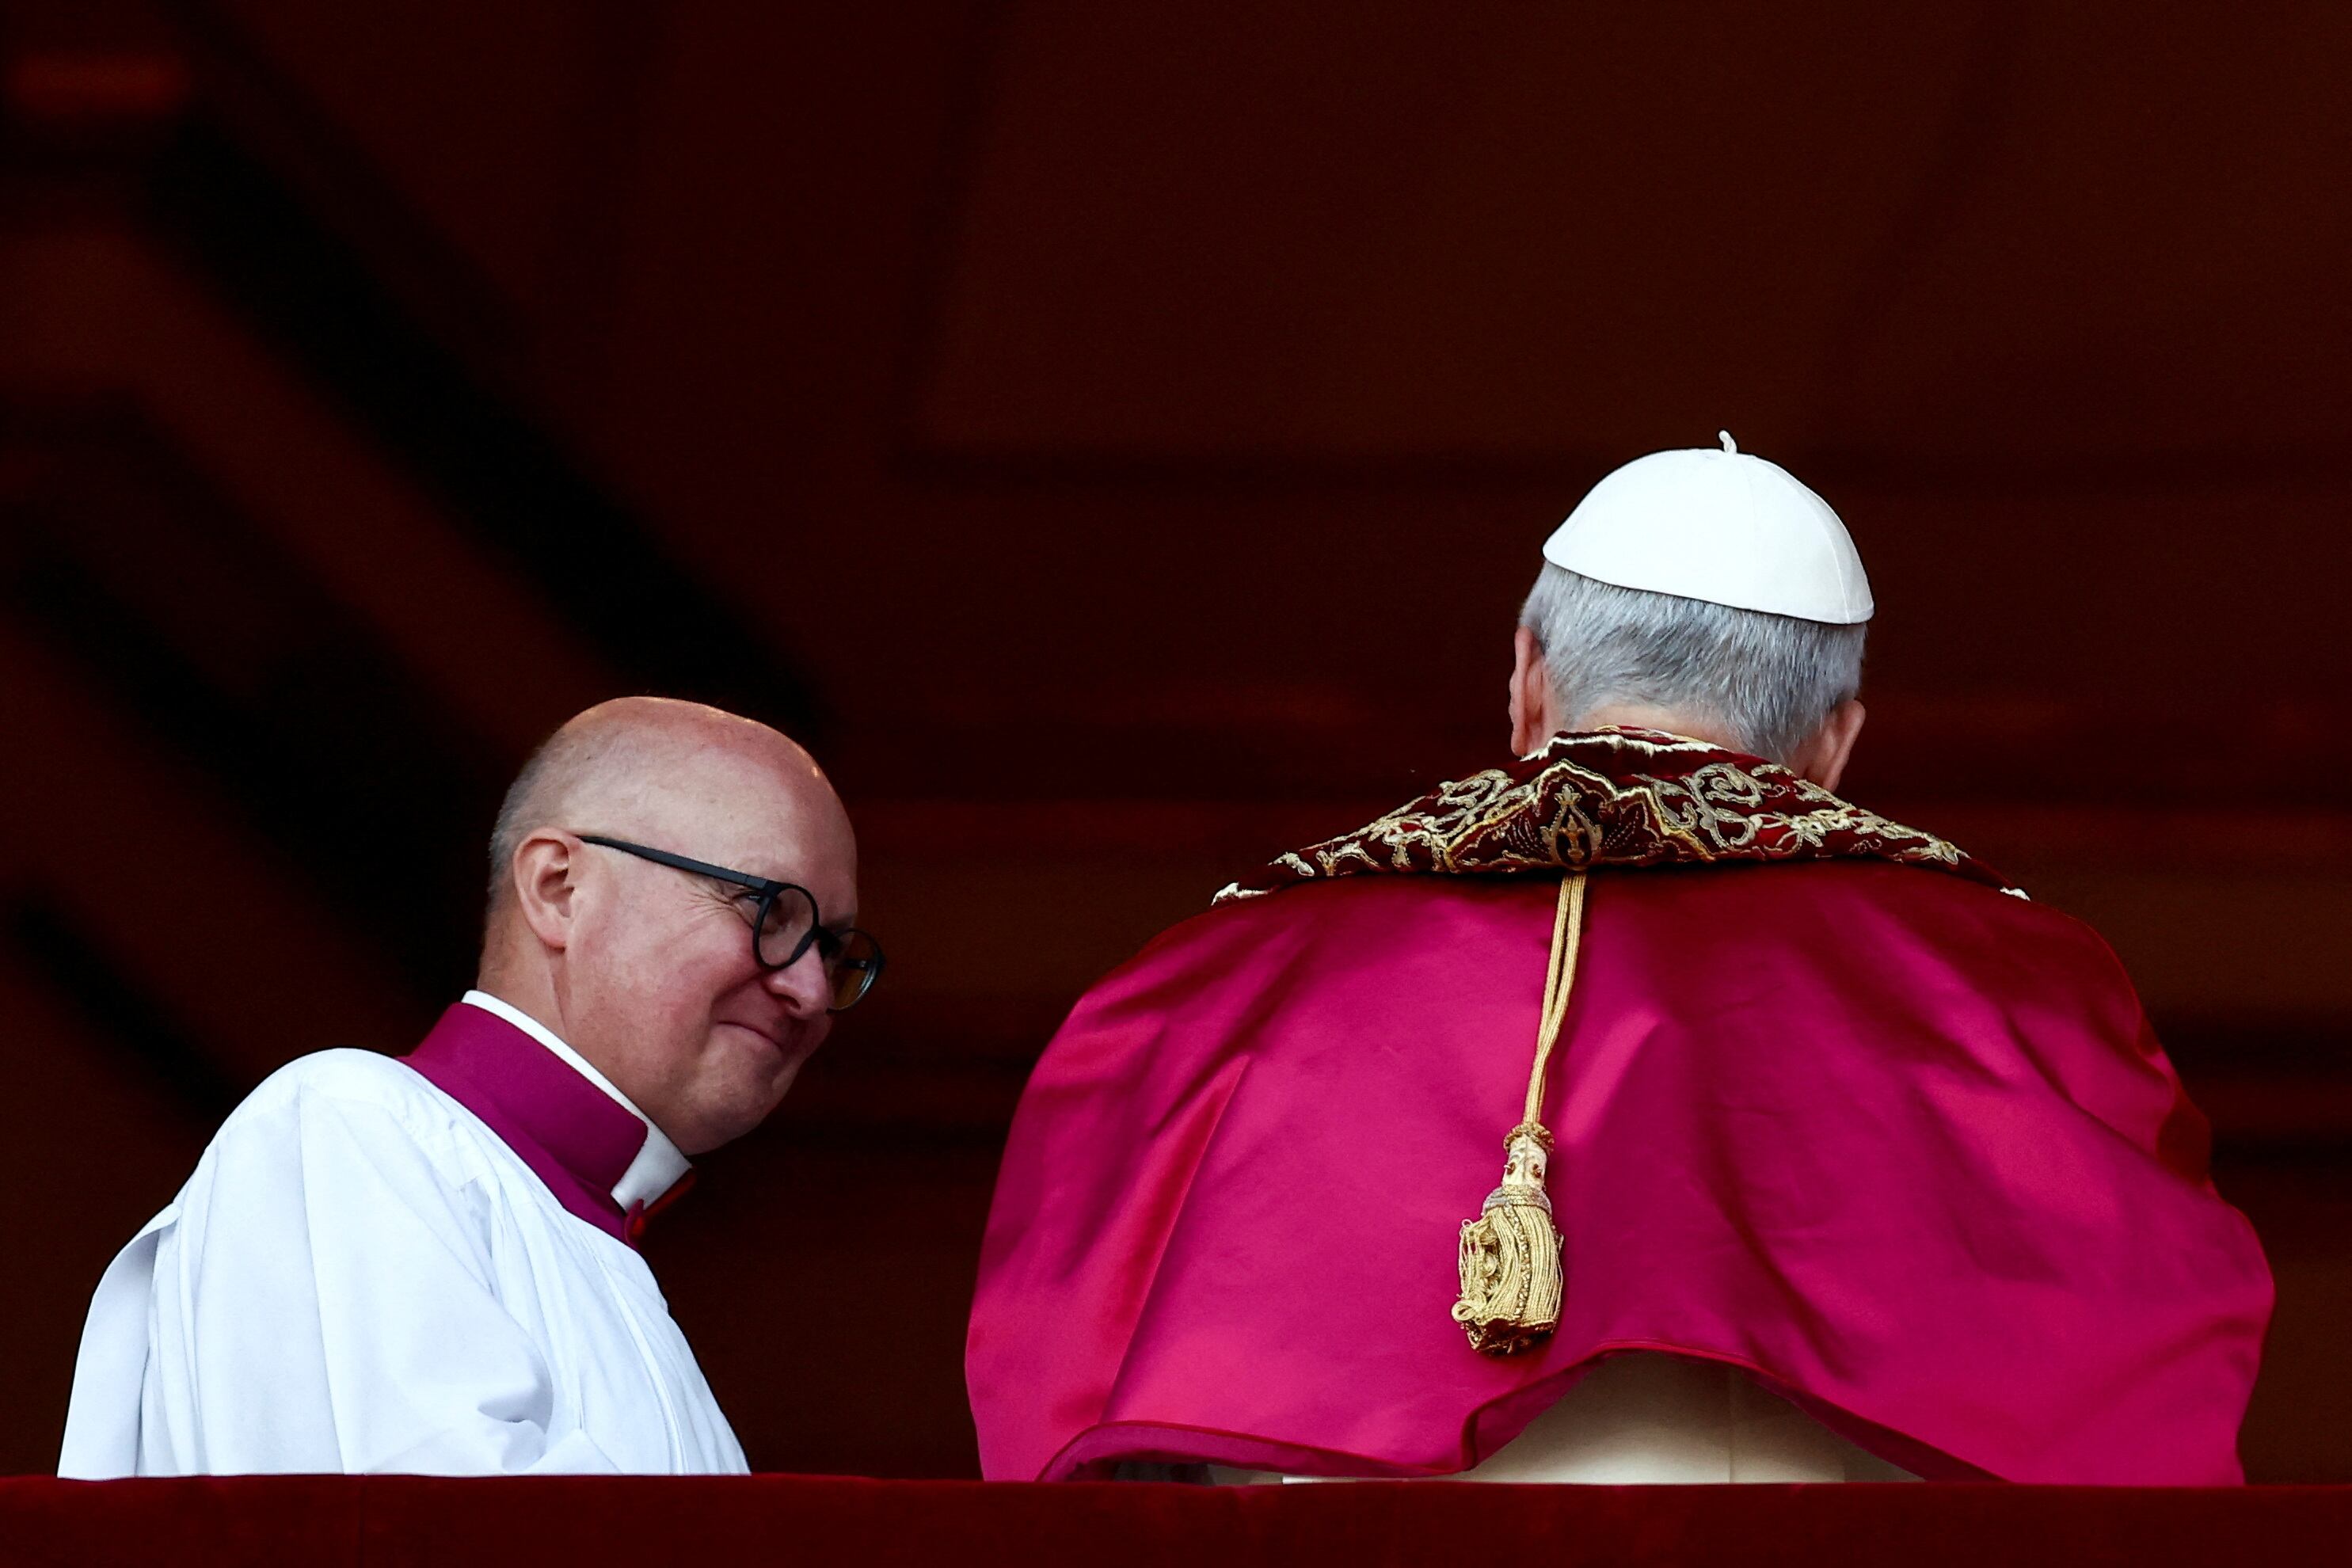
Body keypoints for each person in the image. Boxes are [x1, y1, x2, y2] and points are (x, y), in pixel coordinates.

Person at [966, 434, 2272, 1485]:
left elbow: (1063, 1373)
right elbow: (2140, 1388)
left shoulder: (1235, 963)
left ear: (1528, 680)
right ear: (1835, 741)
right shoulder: (2011, 978)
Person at [60, 697, 883, 1476]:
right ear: (560, 888)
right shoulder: (346, 1129)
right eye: (769, 911)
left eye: (833, 948)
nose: (810, 993)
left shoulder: (605, 1257)